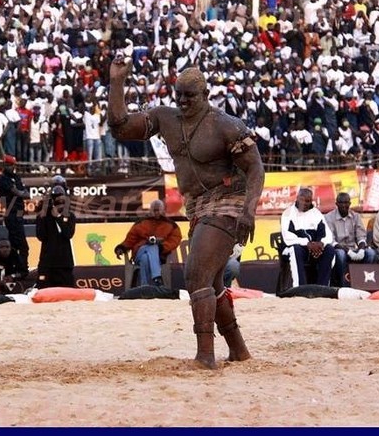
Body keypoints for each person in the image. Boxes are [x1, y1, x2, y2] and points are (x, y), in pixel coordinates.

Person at [109, 60, 265, 369]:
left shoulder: (226, 125)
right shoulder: (167, 119)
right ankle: (238, 350)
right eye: (178, 95)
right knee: (214, 281)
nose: (182, 101)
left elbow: (255, 167)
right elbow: (121, 128)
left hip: (228, 201)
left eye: (189, 96)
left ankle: (205, 356)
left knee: (196, 275)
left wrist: (248, 211)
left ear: (206, 93)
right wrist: (116, 84)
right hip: (195, 207)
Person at [113, 199, 182, 287]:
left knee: (145, 258)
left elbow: (174, 240)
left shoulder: (171, 225)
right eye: (154, 210)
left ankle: (144, 286)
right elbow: (131, 239)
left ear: (163, 210)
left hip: (159, 255)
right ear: (150, 211)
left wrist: (162, 247)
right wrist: (121, 247)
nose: (156, 213)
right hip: (140, 250)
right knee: (152, 247)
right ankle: (157, 276)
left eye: (158, 210)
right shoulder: (141, 223)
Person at [280, 188, 336, 287]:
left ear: (311, 201)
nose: (305, 203)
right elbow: (287, 237)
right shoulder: (288, 213)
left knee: (330, 250)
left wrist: (321, 243)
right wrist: (307, 243)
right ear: (297, 198)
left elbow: (327, 234)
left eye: (308, 201)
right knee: (295, 249)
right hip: (295, 247)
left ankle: (322, 287)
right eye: (302, 200)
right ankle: (300, 287)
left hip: (314, 249)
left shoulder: (316, 213)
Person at [324, 192, 378, 287]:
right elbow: (331, 240)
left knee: (371, 253)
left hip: (354, 249)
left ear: (350, 203)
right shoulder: (329, 217)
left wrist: (361, 249)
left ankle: (364, 283)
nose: (344, 205)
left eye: (346, 203)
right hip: (338, 249)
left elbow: (361, 237)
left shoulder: (356, 216)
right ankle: (343, 284)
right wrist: (348, 251)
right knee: (340, 254)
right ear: (336, 204)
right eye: (341, 203)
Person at [35, 184, 77, 288]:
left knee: (67, 293)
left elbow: (68, 234)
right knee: (43, 291)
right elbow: (41, 236)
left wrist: (58, 217)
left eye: (62, 199)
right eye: (56, 199)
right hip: (47, 263)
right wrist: (45, 212)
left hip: (64, 264)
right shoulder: (43, 216)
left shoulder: (70, 216)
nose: (60, 203)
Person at [0, 155, 30, 273]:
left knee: (14, 246)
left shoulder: (16, 177)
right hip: (11, 214)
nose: (9, 167)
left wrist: (20, 193)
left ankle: (14, 269)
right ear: (4, 165)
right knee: (22, 246)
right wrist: (20, 193)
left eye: (11, 165)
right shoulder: (3, 179)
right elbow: (17, 192)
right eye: (7, 165)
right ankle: (22, 269)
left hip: (19, 214)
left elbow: (26, 194)